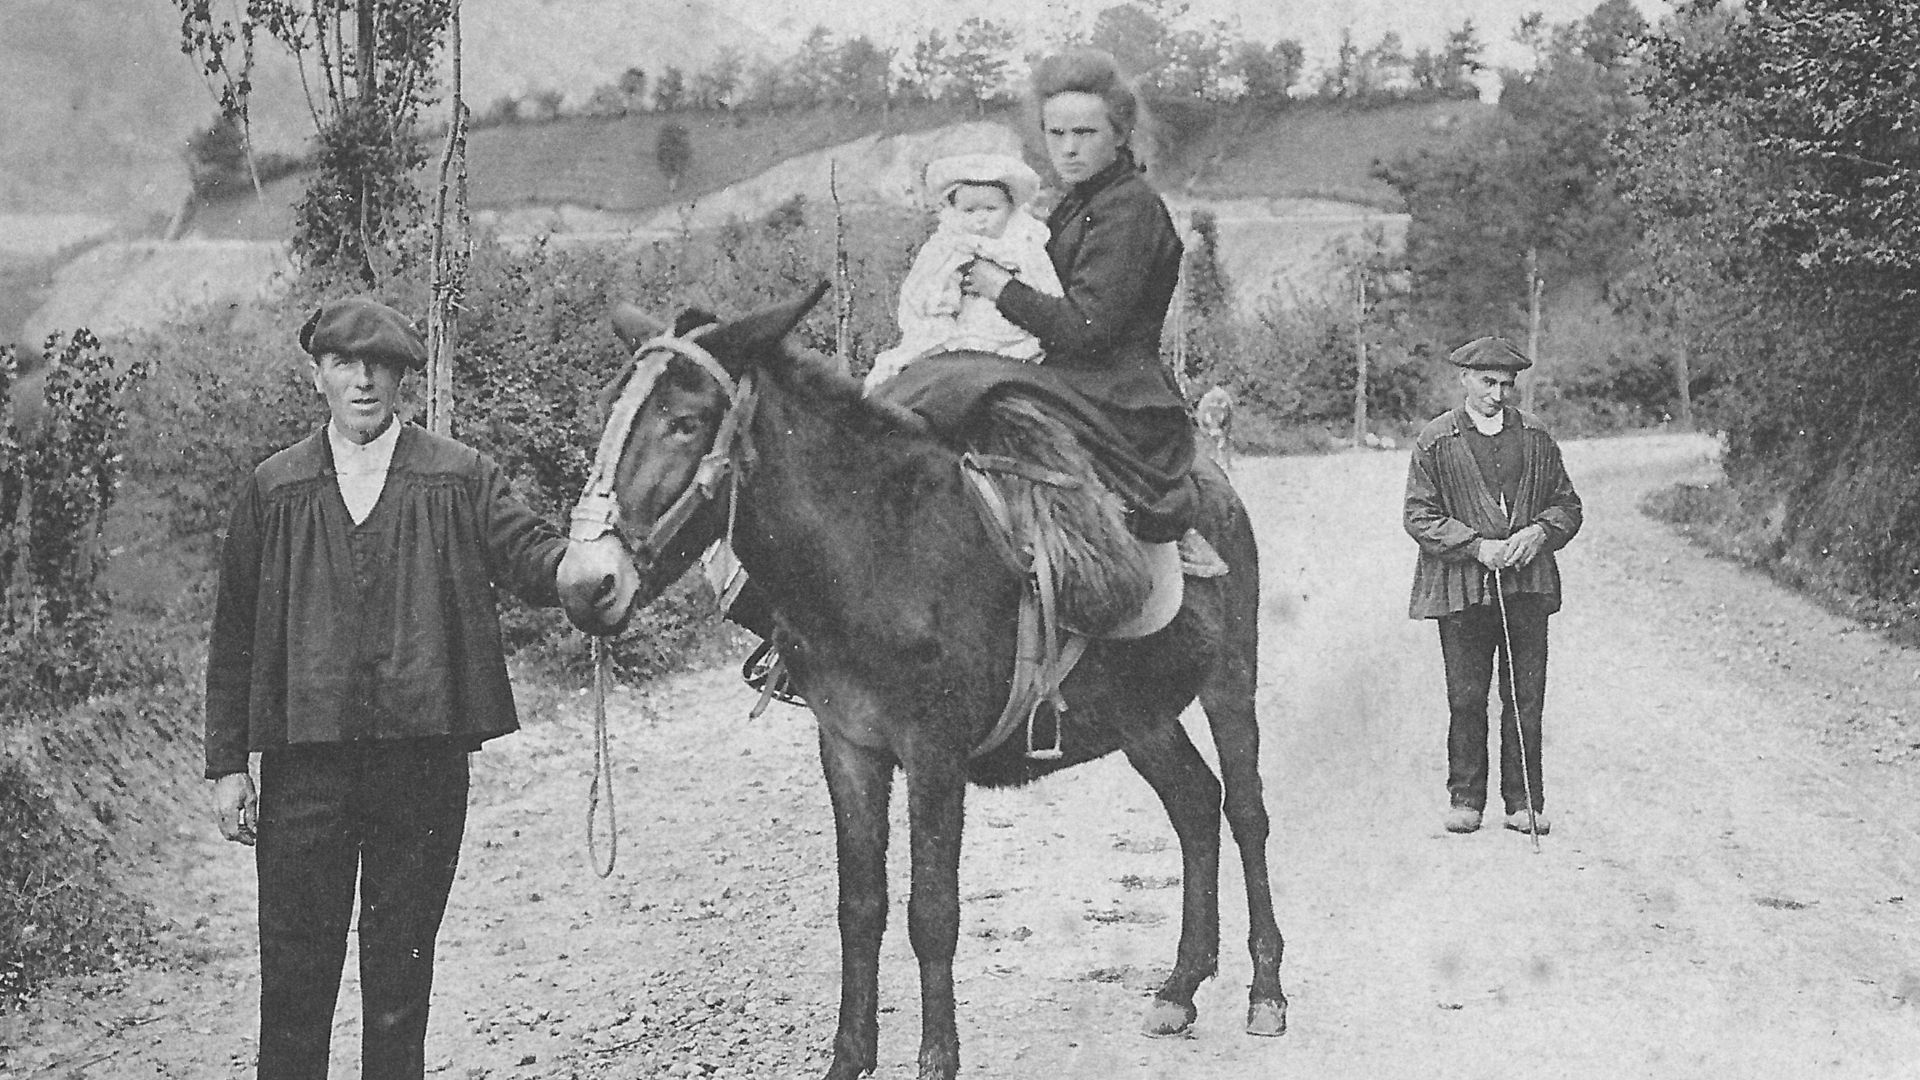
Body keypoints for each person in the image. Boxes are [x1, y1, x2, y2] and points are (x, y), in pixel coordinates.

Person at [205, 296, 569, 1078]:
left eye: (381, 365)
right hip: (307, 771)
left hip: (422, 766)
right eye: (344, 362)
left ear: (403, 376)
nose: (363, 380)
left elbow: (532, 552)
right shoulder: (275, 489)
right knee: (295, 979)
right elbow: (234, 628)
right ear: (317, 375)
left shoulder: (459, 476)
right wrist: (228, 762)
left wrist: (584, 572)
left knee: (401, 982)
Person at [958, 47, 1217, 563]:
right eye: (1057, 134)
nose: (1069, 149)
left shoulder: (1129, 208)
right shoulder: (1079, 202)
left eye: (1086, 133)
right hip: (1069, 376)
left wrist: (999, 289)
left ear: (1119, 133)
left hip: (1116, 389)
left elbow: (1086, 328)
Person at [1403, 336, 1583, 836]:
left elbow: (1568, 505)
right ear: (1463, 379)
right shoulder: (1436, 441)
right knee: (1465, 695)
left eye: (1507, 385)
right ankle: (1465, 799)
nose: (1498, 394)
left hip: (1527, 587)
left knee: (1526, 695)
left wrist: (1540, 532)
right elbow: (1418, 515)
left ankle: (1524, 801)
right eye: (1488, 382)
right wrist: (1476, 546)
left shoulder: (1537, 437)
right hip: (1462, 588)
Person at [863, 152, 1063, 392]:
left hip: (1010, 326)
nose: (981, 219)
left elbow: (1044, 284)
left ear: (1010, 209)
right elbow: (926, 284)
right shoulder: (950, 243)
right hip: (960, 323)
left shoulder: (1022, 243)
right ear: (955, 211)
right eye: (970, 211)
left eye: (991, 209)